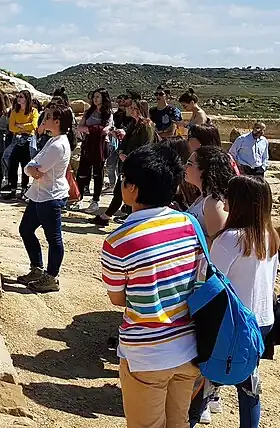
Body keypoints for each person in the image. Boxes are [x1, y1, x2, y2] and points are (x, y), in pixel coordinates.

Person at [101, 144, 202, 428]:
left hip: (148, 353)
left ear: (132, 189)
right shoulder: (190, 224)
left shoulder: (118, 241)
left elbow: (118, 300)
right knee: (178, 423)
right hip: (190, 347)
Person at [196, 175, 280, 428]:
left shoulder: (231, 238)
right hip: (262, 319)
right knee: (249, 384)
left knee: (206, 378)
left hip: (231, 319)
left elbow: (210, 279)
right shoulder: (269, 235)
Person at [15, 103, 74, 293]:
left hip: (50, 197)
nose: (44, 119)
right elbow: (31, 166)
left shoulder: (58, 145)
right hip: (40, 195)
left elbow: (37, 170)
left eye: (48, 116)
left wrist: (31, 168)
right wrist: (30, 168)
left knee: (53, 238)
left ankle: (51, 277)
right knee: (26, 229)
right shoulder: (53, 140)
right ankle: (37, 268)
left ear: (56, 121)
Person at [92, 99, 157, 227]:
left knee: (124, 190)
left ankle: (108, 216)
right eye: (131, 107)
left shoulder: (146, 126)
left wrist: (129, 157)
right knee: (121, 189)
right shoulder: (135, 123)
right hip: (127, 162)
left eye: (135, 108)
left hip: (136, 164)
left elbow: (145, 147)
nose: (132, 110)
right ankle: (108, 215)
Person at [75, 88, 114, 214]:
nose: (95, 99)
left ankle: (95, 200)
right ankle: (78, 197)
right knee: (82, 171)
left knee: (98, 172)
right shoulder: (89, 112)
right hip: (88, 144)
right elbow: (80, 127)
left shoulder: (108, 113)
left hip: (102, 146)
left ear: (104, 98)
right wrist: (93, 129)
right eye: (94, 96)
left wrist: (90, 129)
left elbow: (106, 130)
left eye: (98, 96)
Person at [184, 145, 236, 240]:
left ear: (204, 170)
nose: (185, 166)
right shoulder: (203, 196)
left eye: (189, 164)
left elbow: (217, 243)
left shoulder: (213, 202)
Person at [3, 90, 39, 200]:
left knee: (26, 166)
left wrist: (19, 126)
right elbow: (11, 127)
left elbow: (34, 125)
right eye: (18, 96)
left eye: (21, 97)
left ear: (27, 99)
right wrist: (23, 127)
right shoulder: (15, 111)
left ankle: (24, 189)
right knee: (12, 163)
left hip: (28, 140)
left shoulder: (33, 111)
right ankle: (13, 189)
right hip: (16, 139)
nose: (19, 99)